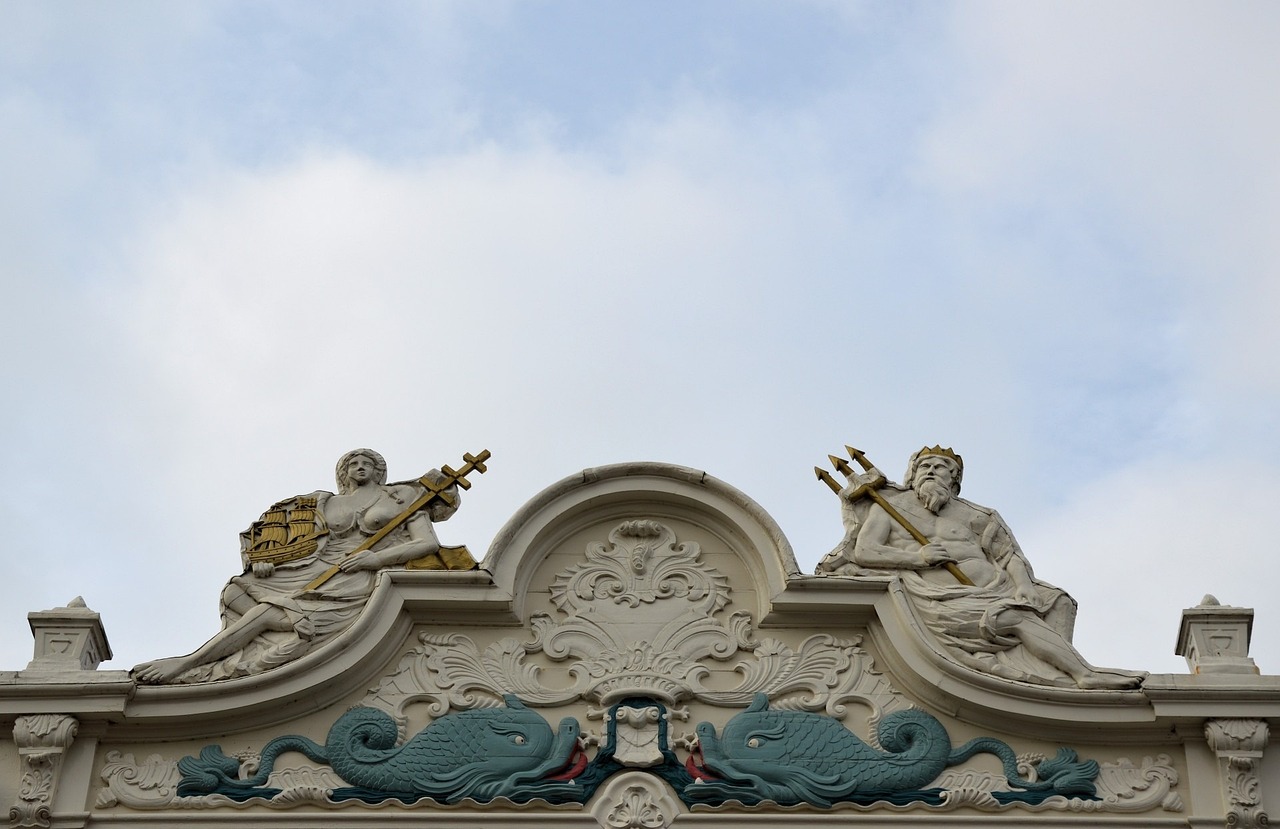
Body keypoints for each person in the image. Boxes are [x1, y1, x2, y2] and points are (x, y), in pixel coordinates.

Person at [818, 446, 1142, 690]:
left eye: (941, 467)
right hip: (937, 597)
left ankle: (1053, 676)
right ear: (912, 475)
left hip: (993, 587)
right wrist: (918, 558)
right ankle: (1082, 674)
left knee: (1058, 600)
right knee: (1015, 616)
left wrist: (1025, 586)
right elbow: (866, 550)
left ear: (954, 479)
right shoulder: (890, 509)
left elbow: (1008, 557)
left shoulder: (977, 515)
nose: (931, 471)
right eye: (925, 466)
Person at [134, 449, 465, 684]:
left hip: (358, 573)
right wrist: (263, 561)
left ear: (380, 471)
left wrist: (375, 559)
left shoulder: (402, 499)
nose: (360, 466)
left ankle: (186, 664)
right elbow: (285, 531)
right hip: (318, 565)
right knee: (237, 589)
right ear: (344, 472)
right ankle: (288, 626)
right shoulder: (324, 501)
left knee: (265, 613)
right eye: (353, 462)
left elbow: (427, 544)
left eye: (368, 463)